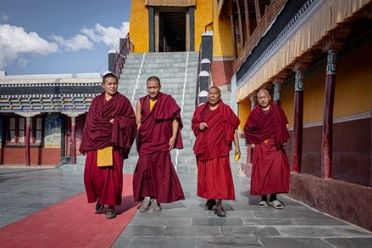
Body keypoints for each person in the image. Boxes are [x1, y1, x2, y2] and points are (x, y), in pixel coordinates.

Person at [79, 71, 137, 219]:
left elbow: (131, 121)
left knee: (112, 177)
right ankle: (100, 197)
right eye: (109, 84)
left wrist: (118, 121)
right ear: (103, 85)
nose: (113, 86)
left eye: (115, 83)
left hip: (113, 143)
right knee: (92, 175)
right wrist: (87, 143)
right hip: (96, 143)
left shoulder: (123, 101)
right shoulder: (96, 101)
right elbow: (90, 122)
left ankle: (110, 206)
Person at [133, 76, 185, 212]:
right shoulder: (141, 101)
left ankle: (157, 199)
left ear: (160, 87)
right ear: (146, 87)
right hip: (146, 141)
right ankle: (146, 197)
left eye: (155, 87)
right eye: (149, 87)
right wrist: (138, 139)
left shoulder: (167, 100)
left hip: (162, 140)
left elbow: (175, 119)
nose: (152, 90)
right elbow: (138, 122)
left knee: (160, 171)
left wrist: (173, 136)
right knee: (144, 169)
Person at [191, 86, 241, 217]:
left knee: (220, 178)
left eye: (215, 94)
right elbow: (194, 124)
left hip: (220, 149)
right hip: (205, 148)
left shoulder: (226, 110)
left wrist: (237, 147)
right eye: (210, 93)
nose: (212, 96)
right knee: (207, 177)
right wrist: (199, 126)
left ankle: (219, 205)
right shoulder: (201, 110)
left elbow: (233, 129)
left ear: (219, 96)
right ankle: (210, 198)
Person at [243, 88, 290, 209]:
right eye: (260, 98)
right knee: (262, 172)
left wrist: (284, 138)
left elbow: (285, 124)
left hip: (275, 145)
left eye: (265, 97)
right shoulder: (255, 112)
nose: (263, 99)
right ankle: (263, 198)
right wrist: (252, 143)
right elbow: (247, 128)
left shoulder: (278, 110)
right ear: (258, 100)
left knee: (275, 171)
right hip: (261, 146)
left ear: (269, 97)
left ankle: (273, 198)